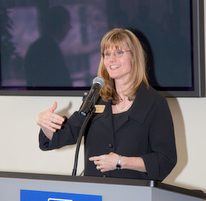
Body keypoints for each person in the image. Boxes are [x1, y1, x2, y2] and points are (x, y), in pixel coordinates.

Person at [37, 28, 177, 181]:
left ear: (134, 57)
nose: (111, 60)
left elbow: (165, 160)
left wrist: (120, 162)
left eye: (119, 53)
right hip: (95, 195)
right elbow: (63, 136)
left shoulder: (154, 103)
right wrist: (45, 123)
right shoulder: (96, 98)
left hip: (135, 196)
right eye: (107, 54)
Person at [25, 6, 71, 88]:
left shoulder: (40, 46)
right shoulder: (48, 48)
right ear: (61, 25)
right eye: (67, 24)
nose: (69, 28)